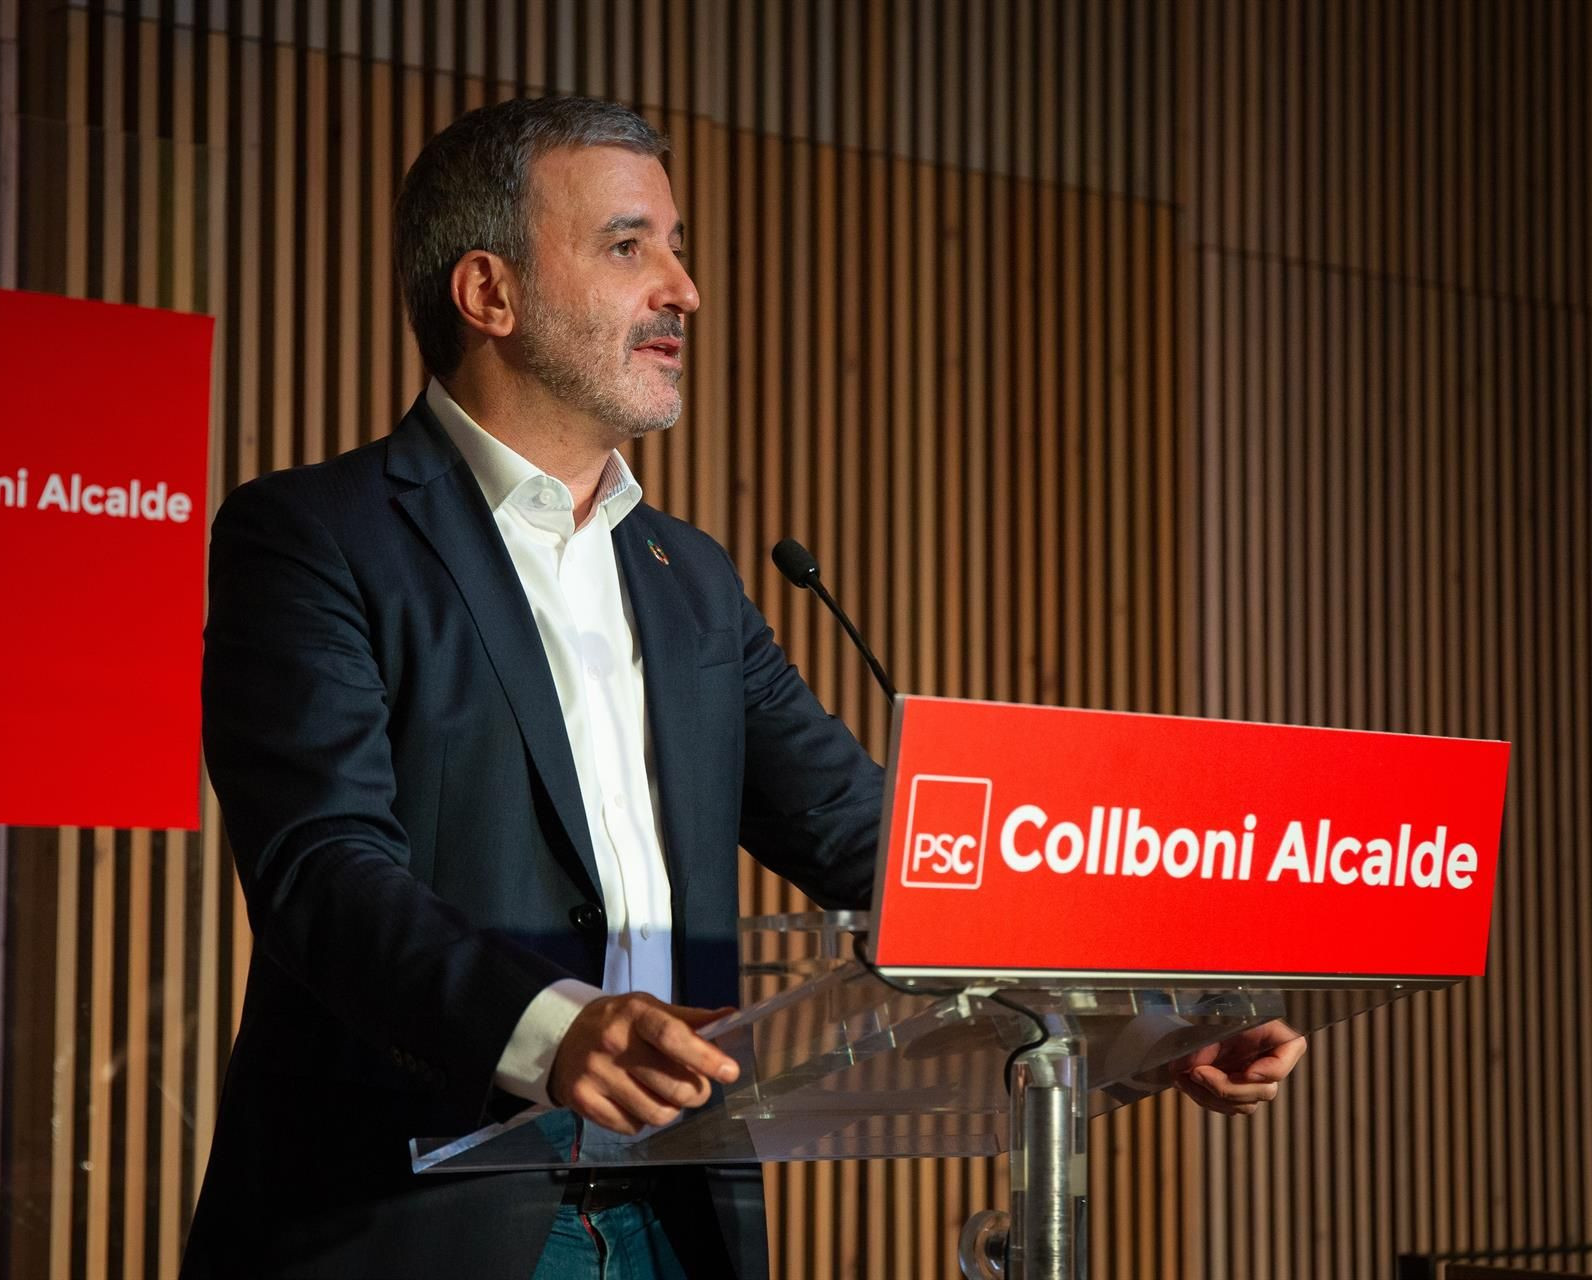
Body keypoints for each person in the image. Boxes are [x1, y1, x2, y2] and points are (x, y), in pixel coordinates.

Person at [182, 95, 1305, 1280]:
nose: (683, 288)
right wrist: (555, 1028)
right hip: (414, 1221)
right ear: (489, 293)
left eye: (677, 245)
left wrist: (1155, 1018)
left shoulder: (692, 581)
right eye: (630, 246)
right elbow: (325, 875)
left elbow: (877, 841)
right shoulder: (315, 536)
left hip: (679, 1217)